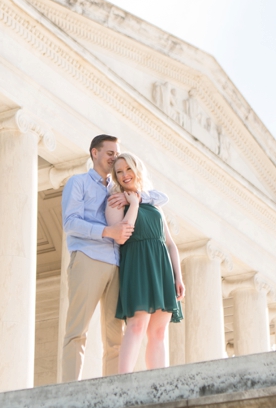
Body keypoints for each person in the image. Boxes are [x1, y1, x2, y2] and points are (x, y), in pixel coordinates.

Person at [61, 135, 169, 382]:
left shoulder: (117, 188)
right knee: (77, 331)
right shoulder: (77, 183)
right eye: (109, 153)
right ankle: (69, 389)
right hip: (89, 258)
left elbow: (160, 197)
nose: (113, 158)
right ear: (94, 153)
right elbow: (70, 222)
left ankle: (113, 389)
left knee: (116, 337)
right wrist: (107, 232)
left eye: (116, 153)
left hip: (119, 265)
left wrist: (137, 198)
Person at [106, 152, 184, 374]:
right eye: (119, 172)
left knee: (159, 332)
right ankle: (123, 380)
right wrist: (132, 205)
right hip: (137, 265)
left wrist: (178, 276)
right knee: (137, 325)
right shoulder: (116, 202)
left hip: (162, 269)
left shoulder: (153, 203)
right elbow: (123, 234)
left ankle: (159, 383)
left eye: (128, 169)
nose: (124, 175)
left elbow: (170, 243)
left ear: (136, 169)